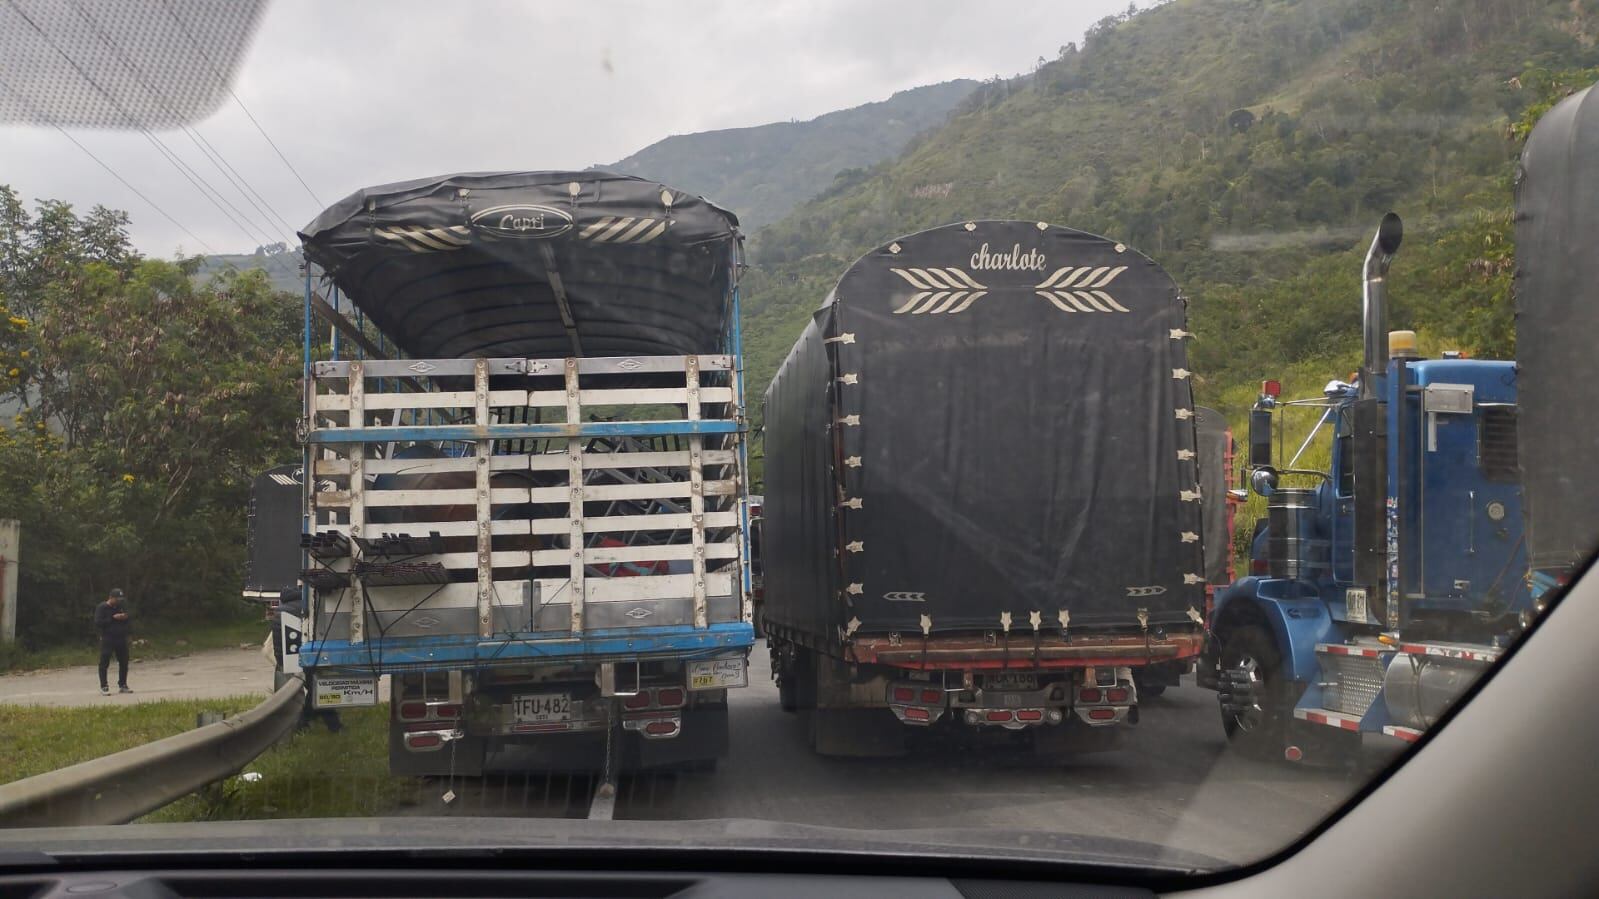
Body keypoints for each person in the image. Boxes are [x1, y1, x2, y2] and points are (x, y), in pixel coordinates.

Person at [94, 588, 132, 695]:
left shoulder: (120, 606)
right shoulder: (102, 607)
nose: (119, 601)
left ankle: (123, 684)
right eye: (117, 599)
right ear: (111, 598)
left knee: (124, 661)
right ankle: (104, 686)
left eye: (120, 599)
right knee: (104, 662)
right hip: (108, 638)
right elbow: (98, 622)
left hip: (121, 638)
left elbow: (128, 618)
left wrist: (124, 617)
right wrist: (112, 618)